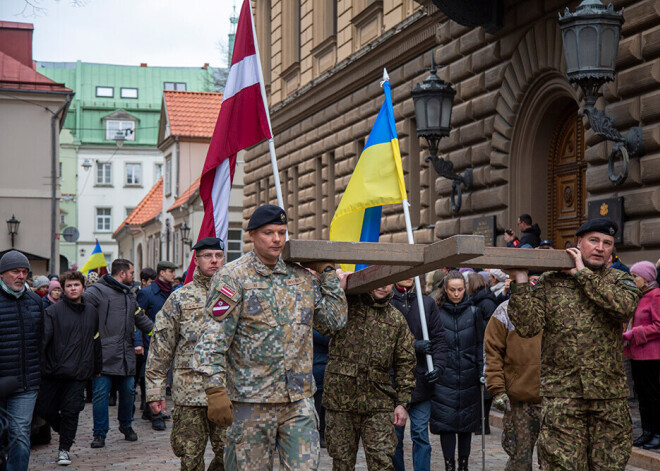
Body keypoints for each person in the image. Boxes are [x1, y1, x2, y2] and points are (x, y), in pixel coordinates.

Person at [194, 204, 348, 470]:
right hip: (251, 402)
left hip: (298, 401)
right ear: (252, 235)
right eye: (268, 233)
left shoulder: (300, 277)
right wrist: (215, 388)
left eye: (281, 232)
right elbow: (213, 338)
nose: (277, 239)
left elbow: (333, 323)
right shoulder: (232, 277)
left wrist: (328, 275)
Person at [507, 218, 640, 470]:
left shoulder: (620, 281)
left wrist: (581, 274)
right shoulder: (550, 282)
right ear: (579, 244)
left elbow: (623, 308)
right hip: (563, 399)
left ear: (613, 249)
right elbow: (527, 327)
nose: (600, 247)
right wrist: (521, 281)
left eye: (607, 243)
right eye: (594, 240)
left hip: (608, 400)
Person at [145, 237, 227, 470]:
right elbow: (161, 347)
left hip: (227, 390)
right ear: (196, 260)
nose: (214, 261)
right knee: (190, 458)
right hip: (190, 394)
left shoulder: (235, 295)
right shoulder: (180, 297)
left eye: (218, 256)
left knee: (230, 455)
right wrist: (155, 392)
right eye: (208, 256)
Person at [321, 284, 416, 470]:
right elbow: (320, 324)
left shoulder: (396, 319)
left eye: (390, 283)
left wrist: (403, 403)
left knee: (382, 461)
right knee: (341, 463)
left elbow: (406, 362)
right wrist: (334, 290)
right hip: (340, 401)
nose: (384, 286)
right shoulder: (345, 308)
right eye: (381, 281)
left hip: (378, 402)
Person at [84, 258, 154, 448]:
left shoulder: (129, 295)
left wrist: (160, 333)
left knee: (128, 392)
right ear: (122, 273)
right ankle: (99, 433)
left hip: (126, 356)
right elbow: (81, 318)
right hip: (103, 356)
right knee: (100, 395)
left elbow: (141, 319)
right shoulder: (95, 292)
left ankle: (126, 425)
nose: (134, 276)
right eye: (132, 273)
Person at [37, 271, 102, 466]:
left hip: (79, 373)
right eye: (69, 286)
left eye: (76, 285)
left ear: (83, 287)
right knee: (45, 410)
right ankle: (61, 427)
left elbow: (96, 341)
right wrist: (42, 366)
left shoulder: (91, 311)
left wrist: (97, 366)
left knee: (71, 411)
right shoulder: (52, 312)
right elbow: (43, 342)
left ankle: (64, 449)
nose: (73, 288)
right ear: (63, 289)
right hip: (53, 372)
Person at [484, 272, 543, 471]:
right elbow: (492, 353)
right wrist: (497, 389)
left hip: (554, 398)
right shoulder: (504, 311)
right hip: (519, 401)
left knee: (556, 461)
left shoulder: (553, 308)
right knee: (520, 460)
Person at [390, 277, 447, 471]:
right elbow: (385, 341)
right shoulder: (388, 301)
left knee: (421, 435)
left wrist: (438, 366)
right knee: (395, 437)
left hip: (421, 381)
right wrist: (413, 345)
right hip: (394, 382)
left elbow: (438, 338)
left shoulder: (427, 303)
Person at [430, 270, 484, 471]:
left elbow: (480, 343)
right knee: (447, 424)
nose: (456, 294)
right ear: (445, 289)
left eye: (460, 290)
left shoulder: (473, 311)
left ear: (465, 289)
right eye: (452, 290)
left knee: (466, 425)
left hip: (469, 374)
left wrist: (481, 370)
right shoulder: (436, 310)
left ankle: (463, 465)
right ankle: (448, 465)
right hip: (445, 375)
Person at [0, 250, 43, 471]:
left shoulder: (35, 301)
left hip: (25, 383)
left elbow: (42, 341)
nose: (21, 275)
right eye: (15, 271)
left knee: (20, 434)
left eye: (24, 271)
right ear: (2, 274)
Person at [624, 261, 660, 450]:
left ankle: (657, 433)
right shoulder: (641, 295)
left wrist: (634, 333)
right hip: (638, 354)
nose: (632, 280)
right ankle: (647, 432)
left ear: (646, 279)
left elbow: (658, 325)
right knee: (644, 397)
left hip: (652, 355)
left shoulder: (655, 295)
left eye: (634, 276)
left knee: (653, 397)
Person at [136, 260, 176, 430]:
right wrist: (138, 342)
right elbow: (137, 319)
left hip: (170, 341)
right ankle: (156, 414)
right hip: (151, 342)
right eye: (170, 271)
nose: (173, 274)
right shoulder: (147, 293)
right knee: (153, 379)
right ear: (161, 273)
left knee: (164, 378)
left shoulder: (174, 293)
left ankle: (148, 409)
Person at [467, 273, 498, 435]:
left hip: (486, 347)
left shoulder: (485, 302)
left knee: (484, 389)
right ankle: (481, 423)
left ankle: (482, 424)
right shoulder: (480, 300)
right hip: (482, 345)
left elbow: (490, 326)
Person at [312, 329, 330, 448]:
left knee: (322, 405)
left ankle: (321, 434)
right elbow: (325, 339)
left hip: (322, 367)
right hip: (317, 367)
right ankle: (318, 434)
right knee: (318, 406)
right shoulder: (312, 326)